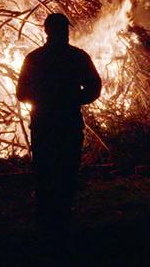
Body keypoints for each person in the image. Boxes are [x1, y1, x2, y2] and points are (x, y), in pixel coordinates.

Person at [16, 13, 102, 250]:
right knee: (66, 174)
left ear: (46, 31)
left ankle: (46, 229)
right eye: (64, 29)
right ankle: (62, 226)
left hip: (44, 125)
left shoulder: (34, 58)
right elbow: (94, 87)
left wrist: (43, 100)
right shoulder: (76, 57)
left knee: (45, 175)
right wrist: (74, 99)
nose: (65, 33)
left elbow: (22, 93)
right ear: (63, 31)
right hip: (67, 124)